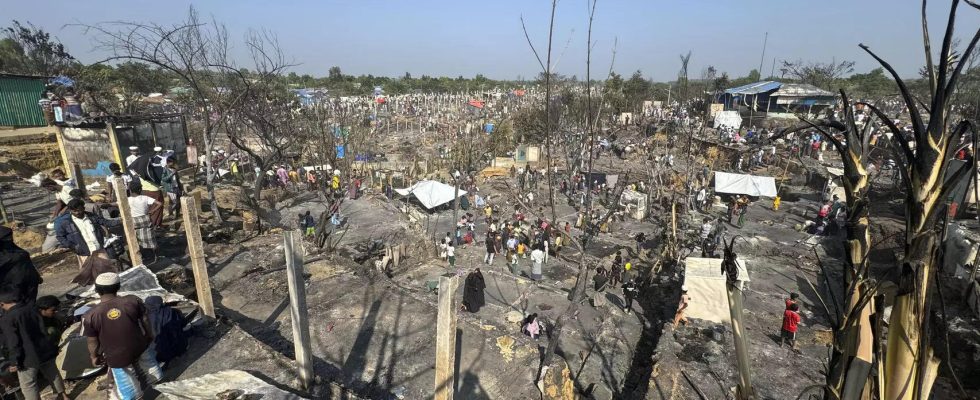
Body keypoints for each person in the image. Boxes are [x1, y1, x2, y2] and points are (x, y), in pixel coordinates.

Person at [83, 273, 162, 399]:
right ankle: (157, 384)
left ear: (97, 290)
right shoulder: (132, 301)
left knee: (127, 380)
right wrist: (149, 334)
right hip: (139, 344)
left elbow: (92, 341)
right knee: (149, 365)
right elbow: (145, 320)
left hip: (116, 355)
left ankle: (137, 396)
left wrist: (94, 356)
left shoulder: (91, 315)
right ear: (118, 286)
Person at [0, 291, 69, 400]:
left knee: (28, 385)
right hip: (45, 350)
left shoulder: (7, 319)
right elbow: (43, 330)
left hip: (27, 357)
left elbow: (13, 342)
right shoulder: (32, 309)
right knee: (53, 374)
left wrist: (15, 361)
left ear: (2, 304)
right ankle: (64, 396)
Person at [0, 226, 42, 303]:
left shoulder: (13, 251)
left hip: (23, 284)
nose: (10, 239)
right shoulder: (12, 251)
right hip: (15, 286)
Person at [144, 295, 188, 365]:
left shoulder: (145, 318)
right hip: (179, 347)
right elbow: (183, 323)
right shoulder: (172, 311)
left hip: (159, 353)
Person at [128, 182, 162, 253]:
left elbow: (116, 204)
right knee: (150, 236)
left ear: (130, 190)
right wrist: (152, 211)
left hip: (134, 221)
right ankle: (155, 253)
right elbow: (159, 204)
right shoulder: (145, 198)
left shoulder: (128, 199)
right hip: (145, 220)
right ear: (140, 190)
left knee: (136, 237)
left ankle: (141, 252)